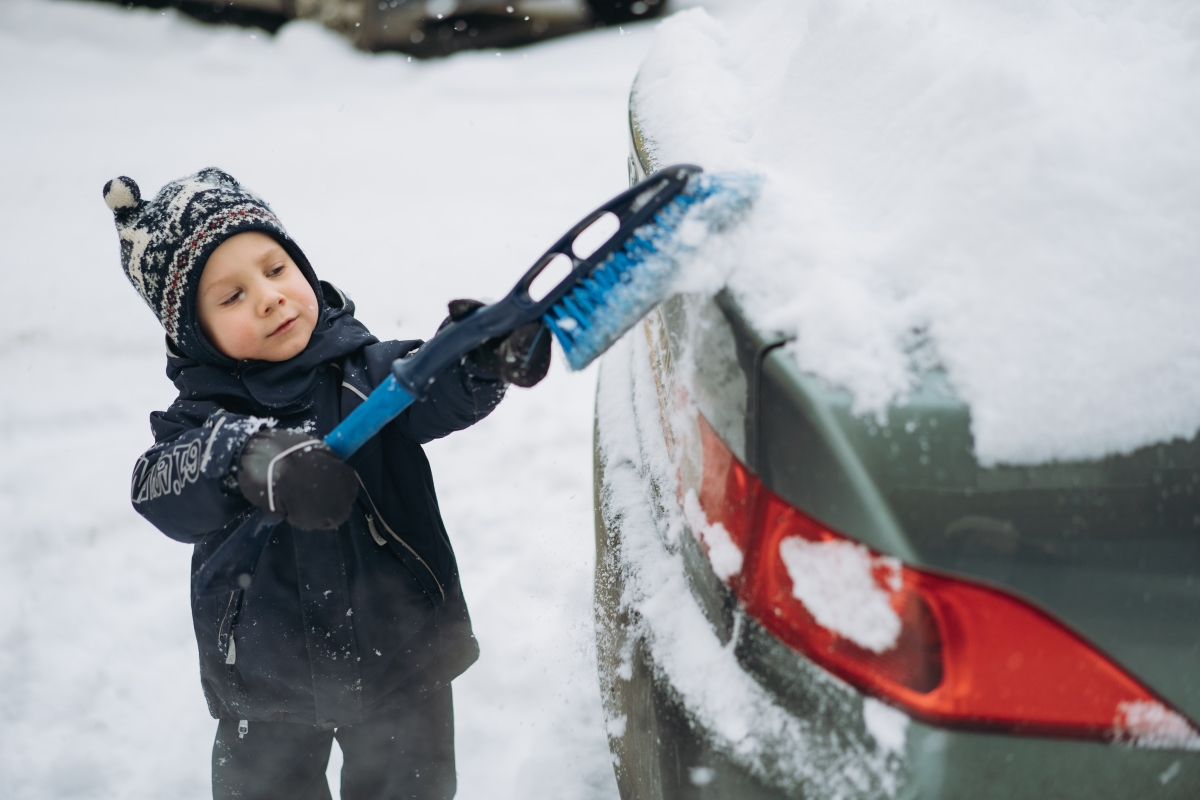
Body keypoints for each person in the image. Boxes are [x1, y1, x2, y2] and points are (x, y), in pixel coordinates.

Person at [102, 167, 550, 800]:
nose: (269, 297)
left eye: (276, 269)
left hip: (400, 656)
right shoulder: (201, 423)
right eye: (231, 296)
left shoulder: (368, 373)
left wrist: (477, 360)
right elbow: (159, 484)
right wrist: (256, 462)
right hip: (267, 678)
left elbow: (434, 388)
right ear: (191, 331)